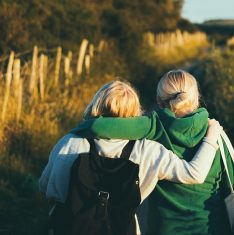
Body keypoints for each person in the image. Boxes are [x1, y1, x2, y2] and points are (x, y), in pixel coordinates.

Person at [39, 81, 223, 235]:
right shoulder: (148, 150)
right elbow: (194, 174)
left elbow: (47, 187)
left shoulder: (70, 143)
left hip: (69, 227)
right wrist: (211, 137)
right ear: (136, 111)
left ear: (96, 104)